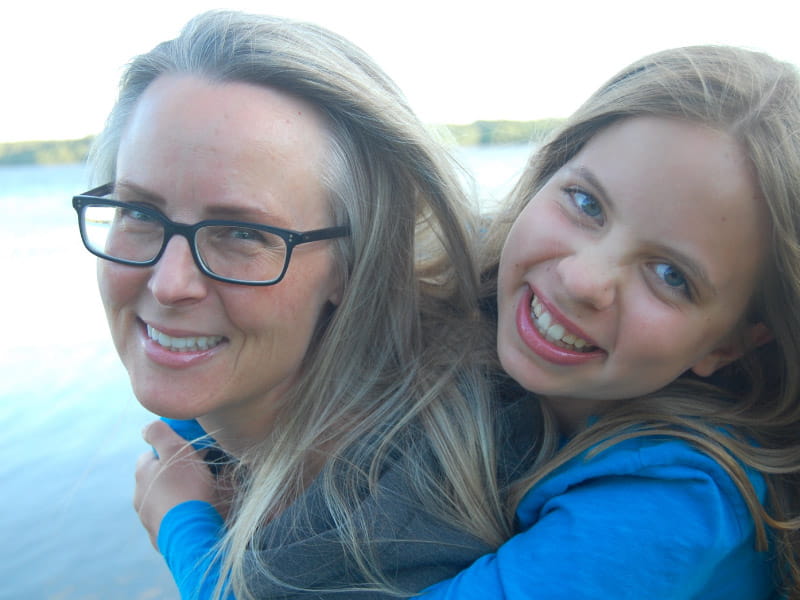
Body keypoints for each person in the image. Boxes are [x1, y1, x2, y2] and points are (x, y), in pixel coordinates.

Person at [72, 10, 533, 600]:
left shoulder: (357, 549)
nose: (168, 284)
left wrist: (185, 534)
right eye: (139, 213)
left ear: (355, 263)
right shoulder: (300, 423)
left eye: (241, 233)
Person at [417, 45, 800, 599]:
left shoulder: (677, 502)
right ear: (547, 174)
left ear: (734, 343)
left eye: (670, 275)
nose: (582, 280)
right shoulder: (449, 310)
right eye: (586, 203)